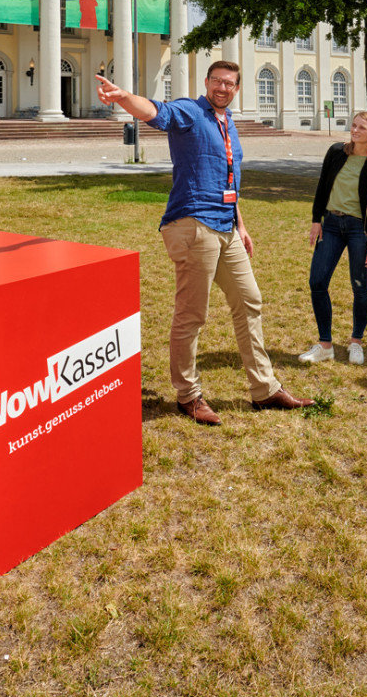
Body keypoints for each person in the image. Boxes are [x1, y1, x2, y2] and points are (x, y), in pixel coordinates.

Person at [94, 61, 311, 425]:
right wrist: (124, 97)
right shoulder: (190, 112)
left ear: (236, 89)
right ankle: (188, 395)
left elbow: (229, 178)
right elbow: (155, 112)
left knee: (249, 301)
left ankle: (265, 389)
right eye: (217, 81)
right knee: (192, 313)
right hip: (195, 223)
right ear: (207, 82)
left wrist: (241, 225)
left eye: (229, 83)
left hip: (227, 228)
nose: (222, 88)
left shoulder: (229, 123)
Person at [299, 112, 367, 367]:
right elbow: (322, 187)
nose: (355, 130)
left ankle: (356, 342)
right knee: (317, 281)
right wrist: (316, 220)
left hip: (359, 230)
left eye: (362, 127)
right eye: (354, 125)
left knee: (359, 286)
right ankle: (325, 345)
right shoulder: (336, 152)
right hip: (330, 224)